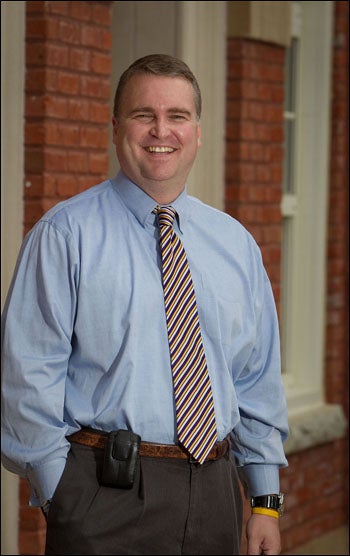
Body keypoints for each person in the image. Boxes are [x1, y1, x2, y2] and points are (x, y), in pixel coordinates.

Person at [1, 53, 289, 555]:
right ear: (117, 128)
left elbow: (254, 379)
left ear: (197, 131)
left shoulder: (235, 244)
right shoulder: (66, 235)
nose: (162, 130)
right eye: (144, 115)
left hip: (217, 493)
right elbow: (26, 372)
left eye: (177, 116)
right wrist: (62, 495)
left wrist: (264, 499)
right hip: (104, 495)